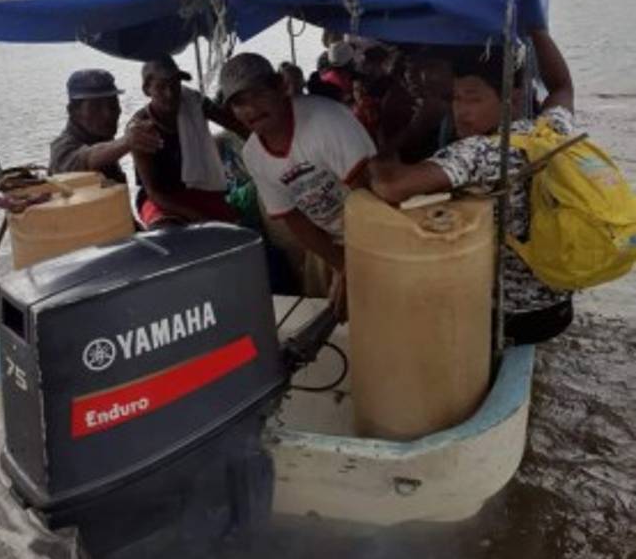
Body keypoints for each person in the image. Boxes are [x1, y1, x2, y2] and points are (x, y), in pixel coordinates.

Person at [370, 30, 575, 345]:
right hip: (558, 305)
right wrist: (537, 28)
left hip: (509, 317)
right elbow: (561, 86)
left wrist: (381, 157)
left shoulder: (479, 153)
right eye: (455, 98)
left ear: (514, 99)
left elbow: (392, 187)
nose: (461, 111)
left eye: (474, 98)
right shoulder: (551, 130)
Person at [219, 52, 376, 317]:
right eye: (239, 103)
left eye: (258, 94)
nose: (250, 109)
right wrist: (340, 265)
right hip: (329, 240)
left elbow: (369, 196)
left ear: (281, 86)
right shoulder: (253, 155)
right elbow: (295, 220)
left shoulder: (326, 120)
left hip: (378, 226)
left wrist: (354, 265)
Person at [131, 55, 241, 227]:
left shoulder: (195, 103)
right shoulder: (140, 128)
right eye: (161, 87)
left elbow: (234, 124)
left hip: (195, 188)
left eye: (174, 84)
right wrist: (195, 216)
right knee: (166, 230)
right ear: (147, 89)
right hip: (160, 198)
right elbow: (153, 192)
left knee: (234, 227)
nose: (170, 93)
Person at [49, 68, 160, 182]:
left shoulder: (100, 137)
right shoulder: (62, 149)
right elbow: (87, 159)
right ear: (73, 111)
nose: (108, 114)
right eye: (96, 107)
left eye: (112, 104)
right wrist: (127, 141)